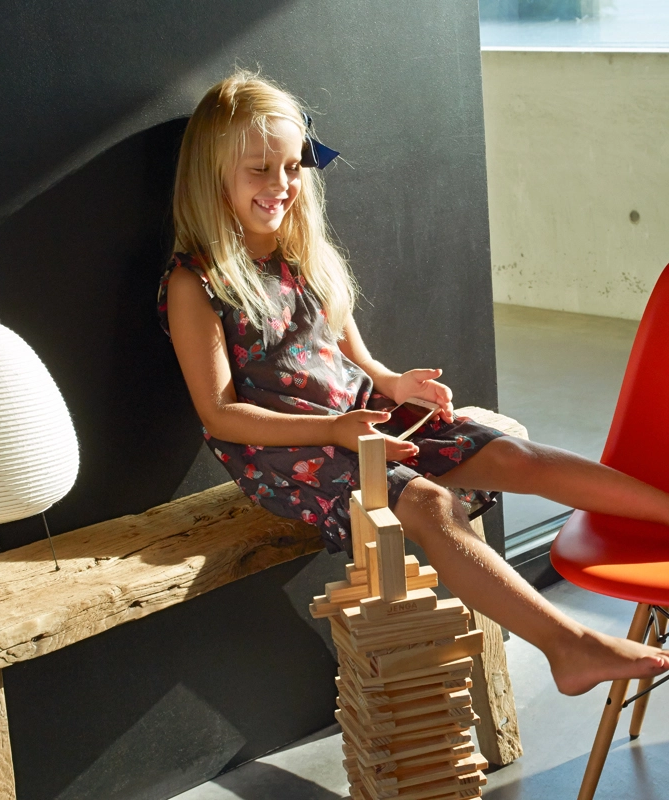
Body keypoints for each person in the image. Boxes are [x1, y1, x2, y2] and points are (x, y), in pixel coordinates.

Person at [157, 70, 669, 696]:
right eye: (259, 170)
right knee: (429, 505)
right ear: (212, 176)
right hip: (287, 448)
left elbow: (360, 363)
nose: (282, 185)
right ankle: (570, 646)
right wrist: (335, 430)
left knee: (513, 454)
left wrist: (396, 385)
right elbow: (220, 414)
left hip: (357, 417)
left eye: (292, 167)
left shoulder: (300, 254)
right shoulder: (195, 284)